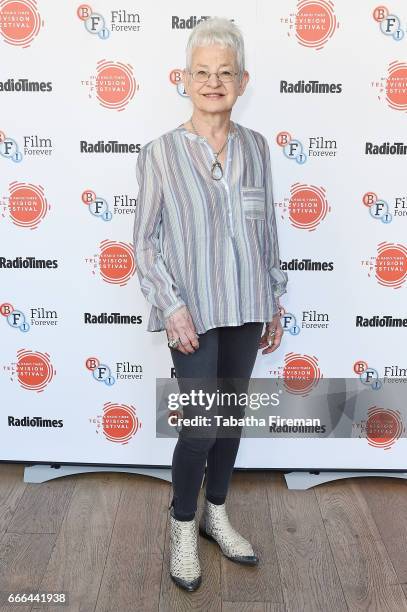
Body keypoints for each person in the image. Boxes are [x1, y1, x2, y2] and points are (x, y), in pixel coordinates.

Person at [133, 16, 288, 592]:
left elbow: (266, 227)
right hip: (191, 312)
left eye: (225, 72)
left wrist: (274, 297)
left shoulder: (256, 149)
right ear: (184, 79)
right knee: (200, 427)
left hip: (248, 305)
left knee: (229, 423)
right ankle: (181, 525)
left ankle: (215, 515)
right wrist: (171, 307)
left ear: (242, 81)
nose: (214, 82)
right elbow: (144, 241)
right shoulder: (160, 154)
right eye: (203, 72)